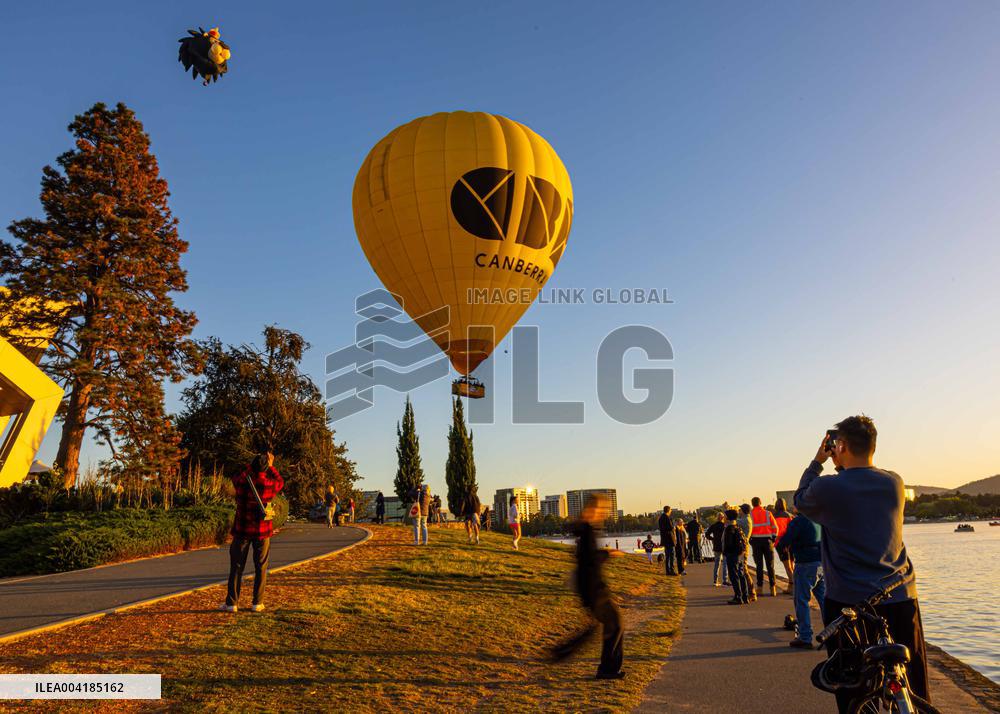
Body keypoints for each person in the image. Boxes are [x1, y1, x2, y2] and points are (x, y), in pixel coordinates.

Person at [795, 416, 930, 709]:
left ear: (839, 445)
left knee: (851, 686)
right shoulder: (894, 482)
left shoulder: (828, 488)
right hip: (899, 595)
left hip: (848, 603)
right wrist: (842, 460)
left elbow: (800, 500)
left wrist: (818, 461)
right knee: (915, 681)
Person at [553, 493, 625, 679]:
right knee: (614, 623)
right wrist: (608, 554)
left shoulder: (587, 528)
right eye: (601, 509)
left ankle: (607, 668)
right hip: (593, 587)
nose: (604, 512)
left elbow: (586, 556)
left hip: (592, 585)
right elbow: (589, 559)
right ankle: (607, 669)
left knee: (613, 624)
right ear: (593, 509)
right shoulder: (586, 528)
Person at [222, 452, 284, 613]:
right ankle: (257, 602)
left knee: (236, 566)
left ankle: (232, 603)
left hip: (242, 530)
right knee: (261, 566)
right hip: (262, 531)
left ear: (252, 466)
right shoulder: (269, 484)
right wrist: (271, 466)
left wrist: (251, 467)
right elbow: (280, 481)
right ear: (266, 467)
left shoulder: (242, 481)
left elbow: (237, 477)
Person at [776, 511, 825, 648]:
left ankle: (805, 636)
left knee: (801, 600)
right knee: (824, 600)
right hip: (821, 563)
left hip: (805, 563)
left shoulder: (798, 522)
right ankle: (832, 634)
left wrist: (782, 550)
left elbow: (785, 540)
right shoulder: (820, 518)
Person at [749, 496, 779, 596]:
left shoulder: (750, 515)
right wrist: (773, 538)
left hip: (756, 541)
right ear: (761, 502)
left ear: (752, 504)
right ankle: (772, 588)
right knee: (770, 565)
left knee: (759, 566)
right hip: (767, 541)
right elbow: (775, 528)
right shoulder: (768, 513)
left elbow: (749, 530)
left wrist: (750, 540)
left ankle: (760, 588)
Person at [722, 508, 751, 605]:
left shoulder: (729, 529)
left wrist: (726, 552)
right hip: (740, 554)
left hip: (732, 555)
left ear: (728, 518)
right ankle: (745, 595)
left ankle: (738, 596)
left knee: (734, 576)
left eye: (725, 517)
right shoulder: (738, 528)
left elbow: (728, 544)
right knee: (741, 574)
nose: (724, 519)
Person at [773, 497, 795, 594]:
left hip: (780, 543)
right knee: (791, 565)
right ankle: (792, 586)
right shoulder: (789, 516)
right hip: (791, 542)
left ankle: (793, 586)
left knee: (787, 566)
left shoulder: (773, 516)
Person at [704, 511, 729, 587]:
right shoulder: (725, 526)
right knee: (725, 564)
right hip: (724, 546)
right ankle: (725, 580)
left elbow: (707, 534)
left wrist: (712, 539)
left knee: (717, 564)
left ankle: (715, 580)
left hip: (716, 546)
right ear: (723, 518)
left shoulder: (713, 525)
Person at [657, 506, 677, 575]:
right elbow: (671, 527)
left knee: (667, 555)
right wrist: (674, 527)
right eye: (670, 510)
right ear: (668, 510)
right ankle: (672, 570)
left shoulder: (661, 518)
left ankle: (668, 571)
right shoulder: (667, 518)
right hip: (669, 538)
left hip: (664, 539)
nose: (671, 511)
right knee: (672, 555)